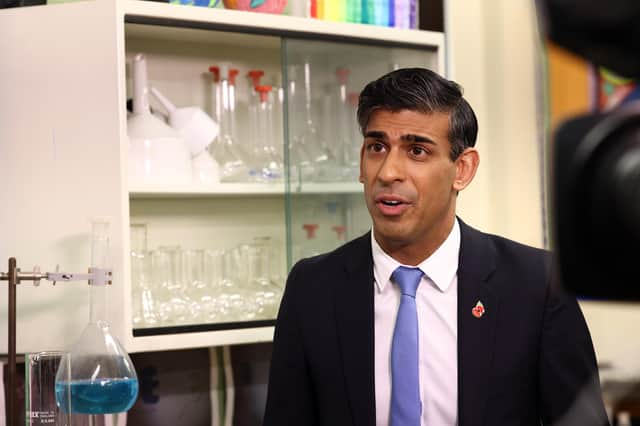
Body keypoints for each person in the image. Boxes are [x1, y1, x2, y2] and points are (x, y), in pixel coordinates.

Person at [262, 68, 609, 426]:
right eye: (377, 147)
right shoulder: (313, 287)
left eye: (416, 150)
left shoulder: (537, 284)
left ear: (462, 169)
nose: (388, 172)